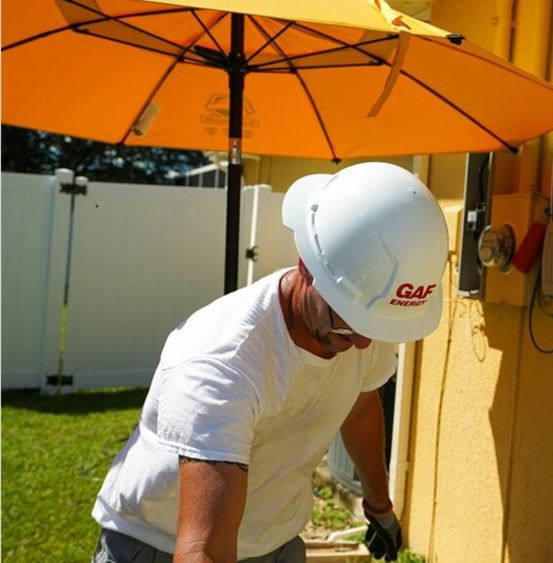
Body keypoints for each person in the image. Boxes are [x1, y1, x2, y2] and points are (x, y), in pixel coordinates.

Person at [90, 162, 449, 563]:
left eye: (373, 326)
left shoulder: (363, 309)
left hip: (276, 541)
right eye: (349, 325)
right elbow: (203, 548)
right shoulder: (222, 361)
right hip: (155, 542)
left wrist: (379, 505)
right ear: (306, 269)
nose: (363, 342)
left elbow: (361, 407)